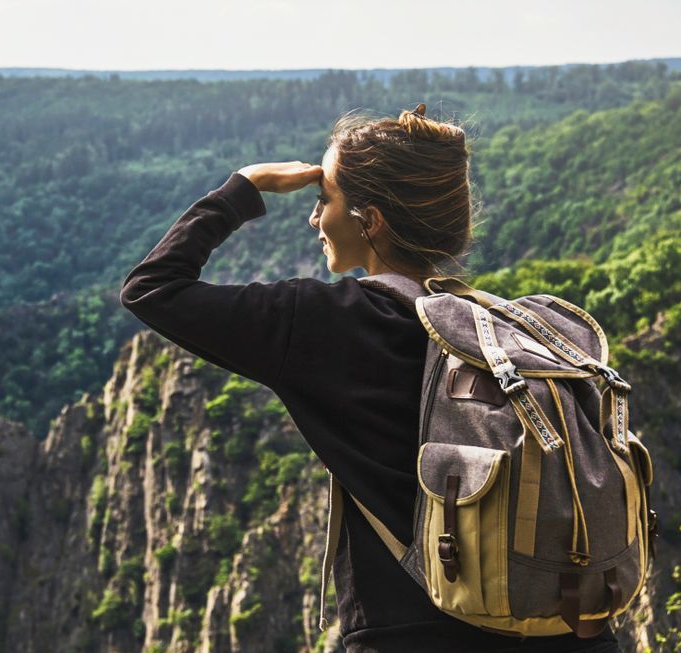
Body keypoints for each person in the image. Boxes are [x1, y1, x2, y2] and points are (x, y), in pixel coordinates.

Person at [120, 105, 621, 653]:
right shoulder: (516, 331)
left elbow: (153, 287)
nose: (314, 218)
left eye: (324, 199)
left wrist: (244, 187)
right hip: (573, 631)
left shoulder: (324, 322)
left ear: (370, 220)